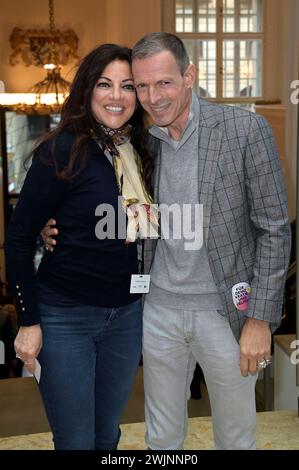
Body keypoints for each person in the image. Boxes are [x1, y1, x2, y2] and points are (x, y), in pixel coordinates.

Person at [43, 33, 291, 450]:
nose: (152, 97)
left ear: (189, 76)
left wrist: (259, 320)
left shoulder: (244, 130)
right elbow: (95, 197)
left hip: (225, 314)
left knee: (235, 437)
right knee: (161, 439)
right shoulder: (136, 140)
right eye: (141, 86)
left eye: (163, 83)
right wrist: (53, 225)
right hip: (156, 312)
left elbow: (274, 228)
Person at [4, 43, 156, 450]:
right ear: (87, 90)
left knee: (107, 436)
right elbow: (17, 239)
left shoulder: (138, 150)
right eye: (105, 84)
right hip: (64, 317)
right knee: (75, 441)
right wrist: (29, 321)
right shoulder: (61, 149)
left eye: (127, 86)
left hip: (125, 317)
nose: (116, 96)